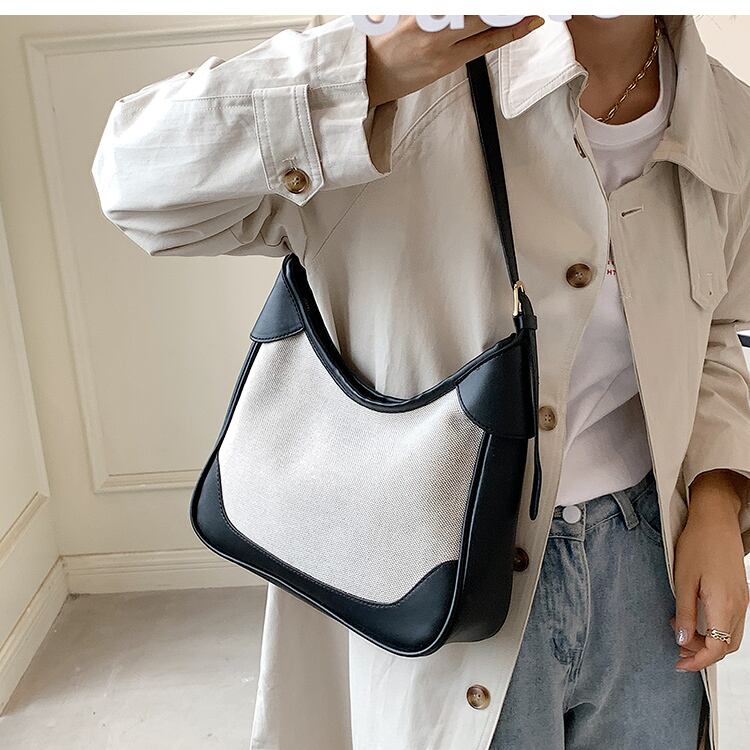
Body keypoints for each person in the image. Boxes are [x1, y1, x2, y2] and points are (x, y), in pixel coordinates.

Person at [92, 15, 750, 749]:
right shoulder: (401, 79)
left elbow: (718, 330)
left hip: (650, 575)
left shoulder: (728, 120)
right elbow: (133, 183)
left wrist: (718, 501)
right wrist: (360, 74)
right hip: (433, 580)